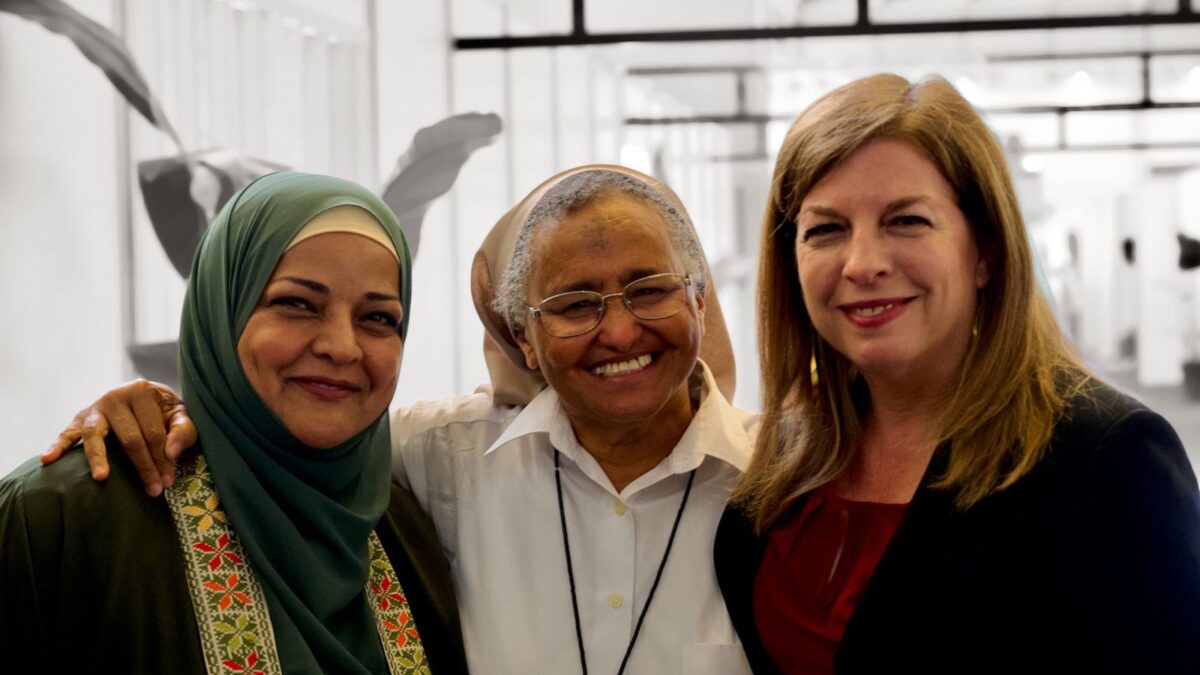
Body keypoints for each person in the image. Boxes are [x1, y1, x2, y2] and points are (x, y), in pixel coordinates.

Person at [42, 165, 756, 674]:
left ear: (701, 302)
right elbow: (285, 421)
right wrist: (173, 404)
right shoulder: (440, 456)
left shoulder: (788, 480)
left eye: (650, 289)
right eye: (574, 304)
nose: (620, 331)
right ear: (521, 337)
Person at [715, 73, 1200, 674]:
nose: (863, 263)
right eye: (826, 229)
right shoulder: (780, 462)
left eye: (907, 221)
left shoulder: (1105, 457)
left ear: (985, 252)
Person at [2, 172, 468, 674]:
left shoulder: (409, 534)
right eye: (295, 304)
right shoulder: (64, 520)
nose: (342, 346)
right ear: (221, 310)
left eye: (378, 318)